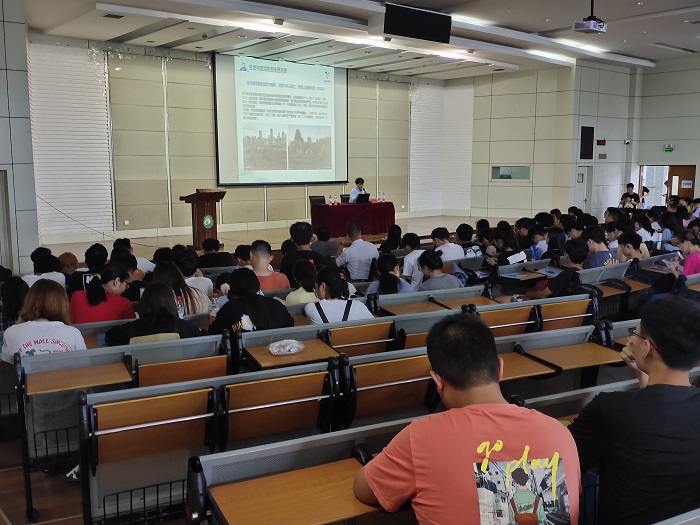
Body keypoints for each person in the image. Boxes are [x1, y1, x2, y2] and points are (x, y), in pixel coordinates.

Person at [354, 314, 581, 524]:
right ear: (500, 368)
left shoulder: (421, 437)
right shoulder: (559, 433)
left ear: (437, 381)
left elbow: (364, 489)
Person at [569, 297, 700, 525]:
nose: (630, 340)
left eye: (635, 334)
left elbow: (565, 460)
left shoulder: (610, 410)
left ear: (647, 347)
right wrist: (642, 373)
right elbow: (661, 412)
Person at [2, 279, 86, 363]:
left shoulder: (10, 333)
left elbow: (8, 368)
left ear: (28, 301)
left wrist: (19, 324)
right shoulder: (73, 333)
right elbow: (84, 365)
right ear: (62, 304)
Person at [104, 282, 202, 346]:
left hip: (139, 372)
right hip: (176, 371)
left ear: (144, 303)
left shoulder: (131, 328)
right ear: (171, 303)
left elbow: (109, 336)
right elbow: (201, 338)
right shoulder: (183, 326)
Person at [209, 268, 294, 333]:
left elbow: (213, 332)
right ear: (257, 285)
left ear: (233, 289)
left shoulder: (228, 309)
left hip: (241, 351)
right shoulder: (275, 304)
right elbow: (290, 324)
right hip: (276, 349)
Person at [508, 239, 588, 302]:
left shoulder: (565, 275)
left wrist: (527, 292)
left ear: (567, 256)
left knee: (505, 298)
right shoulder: (587, 273)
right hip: (572, 308)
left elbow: (543, 295)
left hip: (554, 307)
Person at [69, 262, 136, 324]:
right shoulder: (124, 303)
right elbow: (131, 329)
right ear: (116, 282)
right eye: (126, 285)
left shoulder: (76, 296)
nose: (125, 288)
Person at [304, 266, 373, 324]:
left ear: (323, 286)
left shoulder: (311, 308)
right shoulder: (357, 305)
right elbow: (374, 325)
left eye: (315, 288)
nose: (316, 291)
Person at [280, 222, 332, 288]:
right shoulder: (322, 258)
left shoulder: (287, 259)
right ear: (312, 238)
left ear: (292, 239)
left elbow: (284, 281)